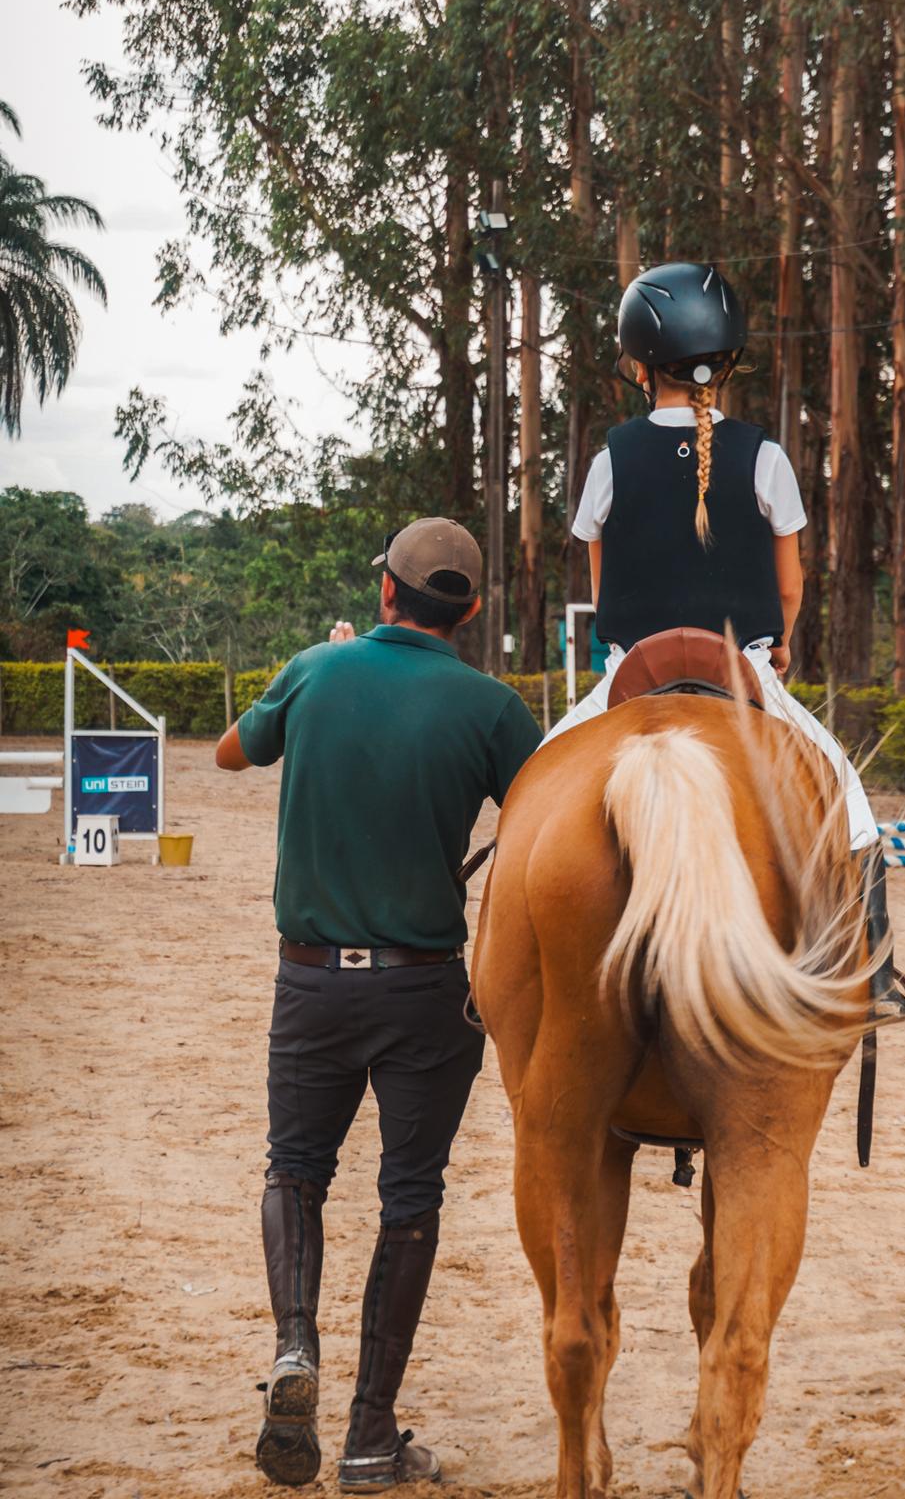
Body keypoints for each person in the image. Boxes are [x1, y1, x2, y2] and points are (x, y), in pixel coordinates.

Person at [216, 518, 542, 1492]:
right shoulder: (491, 707)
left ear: (386, 592)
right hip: (425, 989)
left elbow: (233, 754)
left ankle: (295, 1351)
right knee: (410, 1197)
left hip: (312, 980)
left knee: (297, 1169)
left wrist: (316, 686)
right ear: (472, 611)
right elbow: (544, 813)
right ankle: (368, 1438)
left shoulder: (318, 668)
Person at [549, 259, 905, 1024]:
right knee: (849, 800)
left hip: (629, 674)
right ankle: (874, 972)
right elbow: (789, 587)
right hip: (740, 667)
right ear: (727, 362)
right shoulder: (767, 457)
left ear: (642, 366)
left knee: (536, 784)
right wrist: (776, 648)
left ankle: (499, 970)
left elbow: (601, 577)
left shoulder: (610, 458)